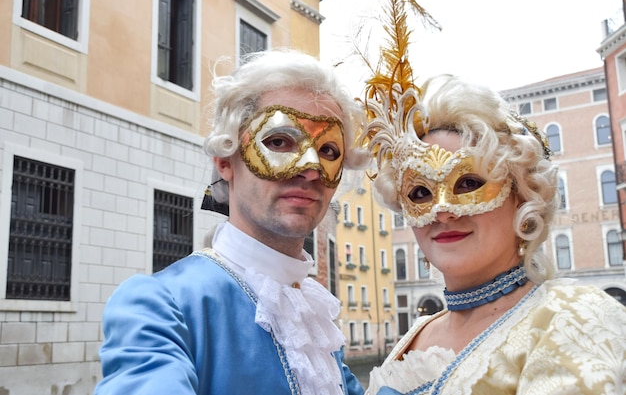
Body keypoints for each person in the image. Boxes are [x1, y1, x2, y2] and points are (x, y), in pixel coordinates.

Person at [95, 49, 370, 395]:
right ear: (225, 161)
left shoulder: (314, 318)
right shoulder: (162, 307)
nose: (311, 168)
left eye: (328, 151)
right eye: (279, 141)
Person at [361, 72, 626, 394]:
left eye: (469, 184)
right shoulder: (419, 331)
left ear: (523, 196)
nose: (442, 211)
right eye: (420, 193)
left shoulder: (574, 316)